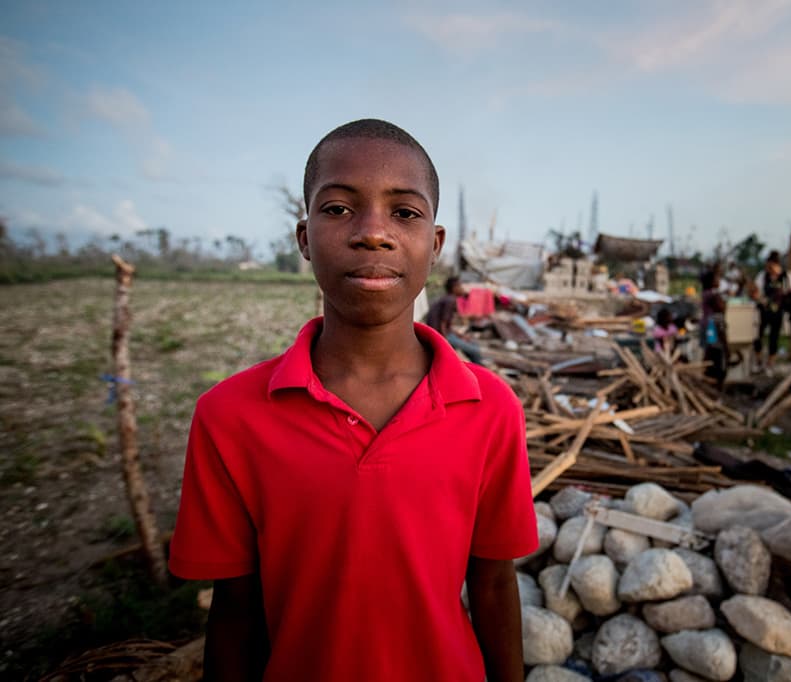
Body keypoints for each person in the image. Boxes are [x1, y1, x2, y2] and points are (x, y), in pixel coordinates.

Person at [168, 119, 538, 681]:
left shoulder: (489, 409)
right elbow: (236, 611)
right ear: (304, 239)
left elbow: (492, 584)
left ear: (433, 246)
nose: (373, 233)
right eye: (339, 208)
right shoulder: (230, 416)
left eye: (405, 213)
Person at [425, 275, 485, 364]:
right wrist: (444, 341)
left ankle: (476, 369)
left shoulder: (447, 298)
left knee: (472, 344)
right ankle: (479, 371)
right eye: (460, 286)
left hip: (442, 333)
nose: (462, 288)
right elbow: (443, 322)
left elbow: (447, 325)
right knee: (475, 350)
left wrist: (460, 336)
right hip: (440, 335)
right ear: (454, 288)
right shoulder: (450, 300)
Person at [753, 250, 791, 373]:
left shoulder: (787, 276)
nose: (770, 268)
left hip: (779, 310)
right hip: (763, 310)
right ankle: (758, 361)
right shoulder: (762, 276)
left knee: (774, 337)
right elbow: (755, 291)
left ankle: (770, 363)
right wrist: (760, 299)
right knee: (758, 335)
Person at [701, 268, 729, 391]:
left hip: (710, 334)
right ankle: (716, 388)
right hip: (714, 336)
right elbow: (721, 333)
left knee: (709, 356)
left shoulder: (707, 293)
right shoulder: (712, 296)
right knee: (718, 367)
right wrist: (727, 348)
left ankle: (709, 384)